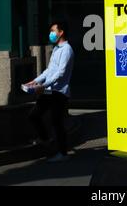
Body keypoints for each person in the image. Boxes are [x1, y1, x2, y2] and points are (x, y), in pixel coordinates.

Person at [26, 21, 74, 163]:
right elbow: (49, 70)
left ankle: (63, 153)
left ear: (61, 32)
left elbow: (60, 73)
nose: (51, 34)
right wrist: (35, 81)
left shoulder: (67, 50)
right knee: (34, 115)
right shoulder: (56, 49)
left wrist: (43, 85)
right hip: (49, 90)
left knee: (56, 122)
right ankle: (46, 139)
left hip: (59, 92)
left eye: (53, 31)